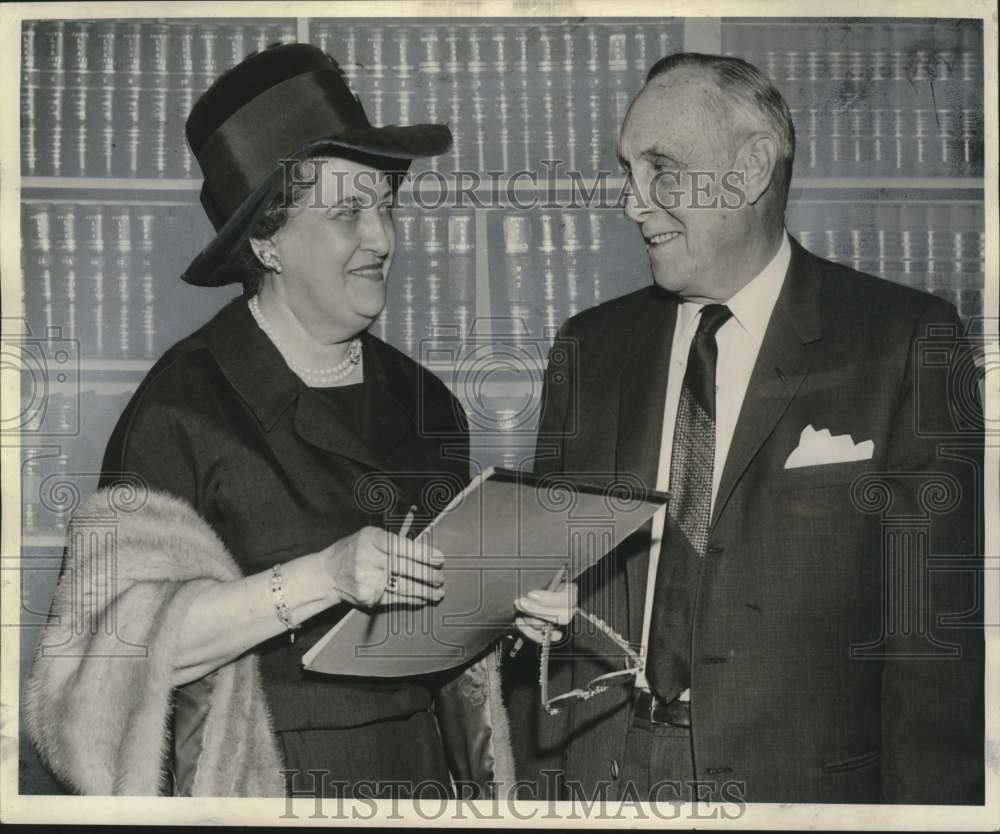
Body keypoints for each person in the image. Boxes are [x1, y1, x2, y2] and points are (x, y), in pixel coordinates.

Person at [25, 43, 511, 798]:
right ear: (265, 243)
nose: (383, 238)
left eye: (384, 205)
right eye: (349, 212)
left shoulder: (427, 402)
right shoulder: (179, 410)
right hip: (262, 789)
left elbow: (442, 636)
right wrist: (323, 576)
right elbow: (106, 663)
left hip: (419, 784)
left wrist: (509, 612)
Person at [506, 52, 984, 804]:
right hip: (602, 773)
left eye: (661, 168)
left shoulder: (904, 342)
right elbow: (544, 596)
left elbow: (934, 652)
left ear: (753, 167)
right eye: (628, 169)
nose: (633, 202)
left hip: (799, 789)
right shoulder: (588, 348)